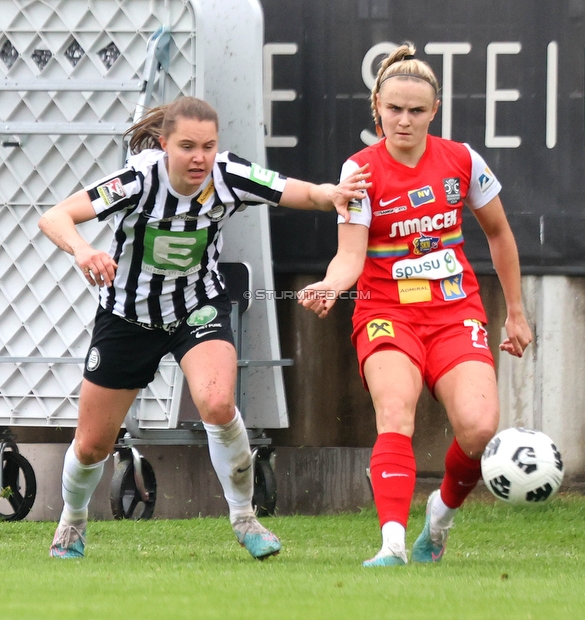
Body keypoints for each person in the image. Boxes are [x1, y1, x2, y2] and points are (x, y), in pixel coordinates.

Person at [39, 95, 370, 560]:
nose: (199, 158)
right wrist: (83, 251)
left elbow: (301, 192)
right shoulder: (137, 180)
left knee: (216, 403)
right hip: (128, 316)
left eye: (208, 147)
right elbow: (54, 216)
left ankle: (244, 517)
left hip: (197, 307)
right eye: (188, 146)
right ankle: (72, 521)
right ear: (164, 144)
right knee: (93, 445)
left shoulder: (228, 175)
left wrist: (331, 194)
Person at [298, 43, 533, 567]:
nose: (403, 121)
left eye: (416, 111)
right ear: (377, 104)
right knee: (395, 412)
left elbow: (499, 233)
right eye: (394, 109)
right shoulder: (359, 171)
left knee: (478, 428)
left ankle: (440, 518)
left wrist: (515, 311)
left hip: (454, 313)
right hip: (386, 311)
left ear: (435, 110)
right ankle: (392, 545)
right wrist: (332, 286)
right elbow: (349, 257)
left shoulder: (462, 160)